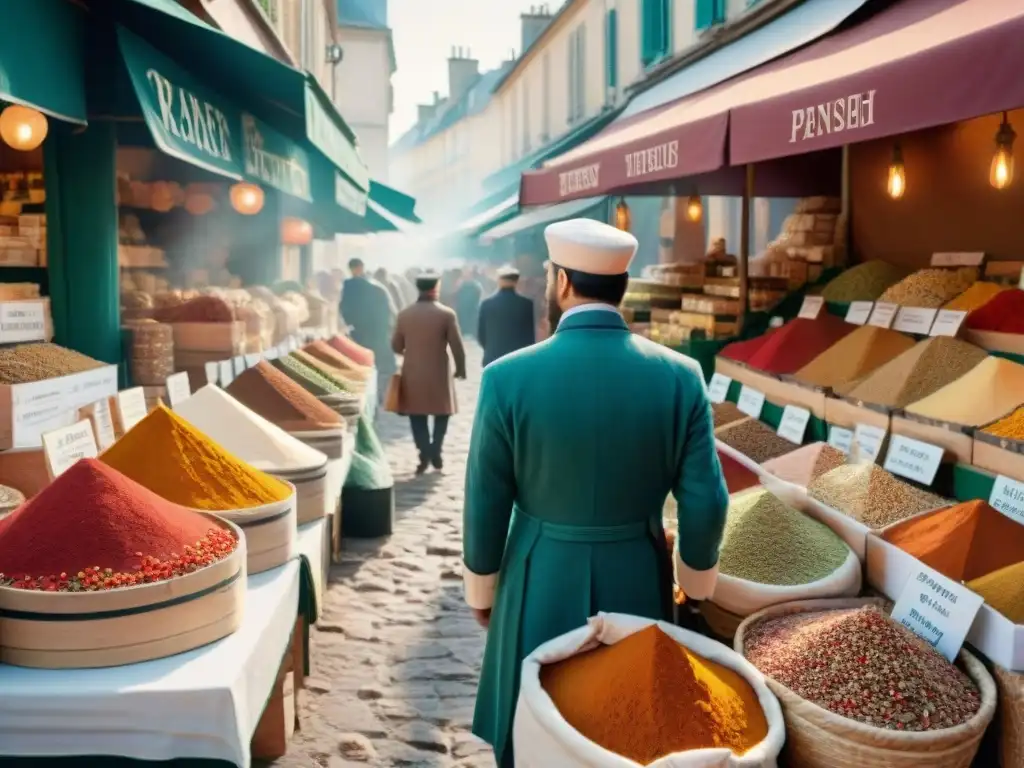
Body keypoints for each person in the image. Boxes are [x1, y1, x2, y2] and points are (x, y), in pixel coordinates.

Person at [462, 219, 728, 767]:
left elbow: (485, 500)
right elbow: (707, 499)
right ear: (622, 287)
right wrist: (693, 585)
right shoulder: (681, 375)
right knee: (630, 732)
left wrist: (482, 592)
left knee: (534, 726)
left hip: (539, 576)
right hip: (637, 570)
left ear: (561, 283)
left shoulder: (506, 377)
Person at [392, 270, 467, 474]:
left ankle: (424, 452)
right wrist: (460, 368)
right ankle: (436, 450)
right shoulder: (446, 314)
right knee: (442, 412)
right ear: (436, 287)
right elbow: (457, 345)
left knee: (417, 415)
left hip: (413, 370)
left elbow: (396, 346)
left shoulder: (405, 314)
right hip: (439, 370)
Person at [340, 258, 397, 402]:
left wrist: (350, 325)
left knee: (364, 365)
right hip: (376, 332)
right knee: (378, 365)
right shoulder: (376, 286)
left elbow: (344, 309)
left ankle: (370, 397)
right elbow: (387, 310)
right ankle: (379, 396)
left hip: (359, 332)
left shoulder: (348, 286)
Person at [477, 265, 535, 367]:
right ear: (516, 281)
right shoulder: (526, 304)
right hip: (518, 358)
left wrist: (490, 348)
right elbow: (530, 336)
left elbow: (481, 335)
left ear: (498, 280)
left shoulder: (486, 304)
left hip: (492, 357)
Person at [455, 267, 483, 338]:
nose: (466, 275)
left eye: (468, 274)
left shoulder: (476, 285)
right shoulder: (460, 284)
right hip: (462, 310)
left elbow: (478, 296)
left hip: (472, 310)